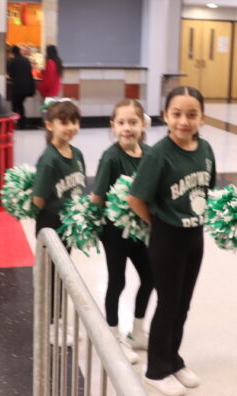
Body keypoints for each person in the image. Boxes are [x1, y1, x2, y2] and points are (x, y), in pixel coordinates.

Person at [127, 86, 216, 396]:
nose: (184, 121)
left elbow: (206, 191)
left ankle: (173, 358)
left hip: (195, 236)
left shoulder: (205, 150)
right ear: (165, 116)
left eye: (192, 115)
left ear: (202, 117)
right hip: (167, 238)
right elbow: (135, 198)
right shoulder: (160, 154)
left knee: (183, 305)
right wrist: (159, 221)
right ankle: (155, 370)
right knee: (168, 304)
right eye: (176, 114)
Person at [89, 99, 153, 365]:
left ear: (143, 125)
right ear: (113, 126)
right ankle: (113, 335)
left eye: (133, 122)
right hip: (114, 231)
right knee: (117, 281)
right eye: (122, 123)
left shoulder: (150, 155)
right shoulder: (112, 157)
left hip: (140, 229)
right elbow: (96, 197)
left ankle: (137, 332)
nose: (127, 128)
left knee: (151, 277)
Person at [31, 98, 85, 342]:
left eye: (74, 121)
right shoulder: (49, 159)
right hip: (50, 225)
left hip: (68, 226)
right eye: (63, 122)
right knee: (52, 277)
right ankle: (50, 325)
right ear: (50, 125)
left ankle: (59, 319)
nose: (70, 127)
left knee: (63, 274)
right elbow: (38, 200)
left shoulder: (78, 154)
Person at [6, 45, 36, 129]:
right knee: (20, 104)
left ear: (12, 52)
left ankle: (15, 122)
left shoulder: (13, 61)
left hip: (18, 87)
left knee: (15, 105)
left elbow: (11, 74)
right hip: (28, 87)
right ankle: (22, 122)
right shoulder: (26, 60)